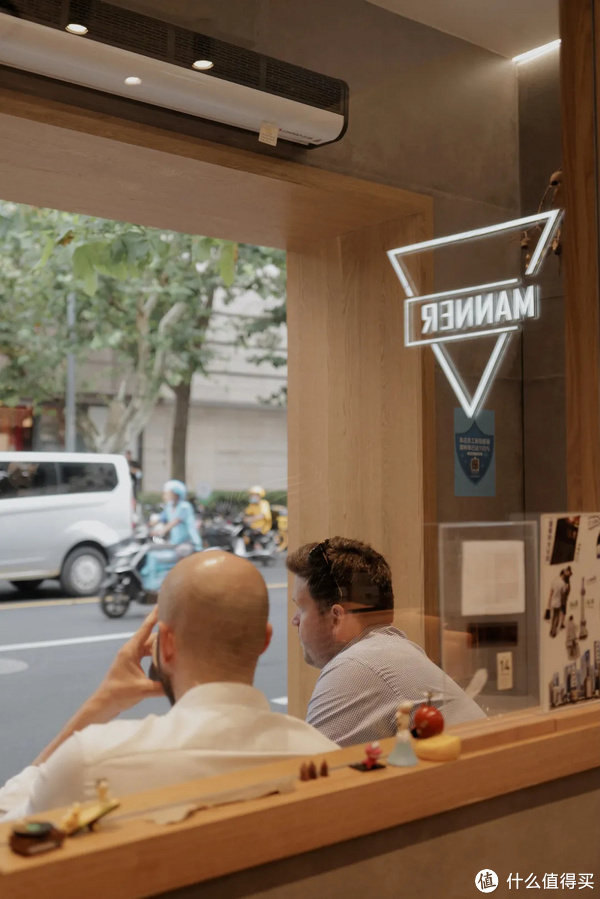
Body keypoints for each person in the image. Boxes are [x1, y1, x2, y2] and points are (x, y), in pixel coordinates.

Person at [0, 552, 337, 819]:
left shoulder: (91, 763)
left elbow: (7, 820)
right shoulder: (325, 756)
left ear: (168, 643)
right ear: (264, 640)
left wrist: (103, 701)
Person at [287, 537, 486, 747]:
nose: (294, 620)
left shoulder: (355, 666)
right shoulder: (393, 649)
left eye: (302, 607)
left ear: (336, 618)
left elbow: (310, 764)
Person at [158, 479, 201, 555]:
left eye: (167, 493)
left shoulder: (184, 507)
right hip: (175, 543)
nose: (164, 496)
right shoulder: (169, 507)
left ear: (176, 494)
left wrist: (160, 531)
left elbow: (174, 522)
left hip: (188, 542)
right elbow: (160, 518)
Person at [244, 486, 272, 550]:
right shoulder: (252, 505)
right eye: (251, 495)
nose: (251, 497)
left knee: (256, 544)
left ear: (259, 495)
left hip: (262, 530)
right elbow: (246, 513)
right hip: (252, 528)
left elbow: (262, 515)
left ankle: (259, 552)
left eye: (253, 495)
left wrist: (250, 519)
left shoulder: (264, 503)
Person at [547, 567, 571, 638]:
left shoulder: (554, 581)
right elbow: (563, 594)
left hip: (553, 602)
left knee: (553, 616)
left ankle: (551, 630)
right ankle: (553, 632)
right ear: (563, 575)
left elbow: (551, 593)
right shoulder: (562, 584)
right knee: (556, 617)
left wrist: (549, 602)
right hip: (558, 602)